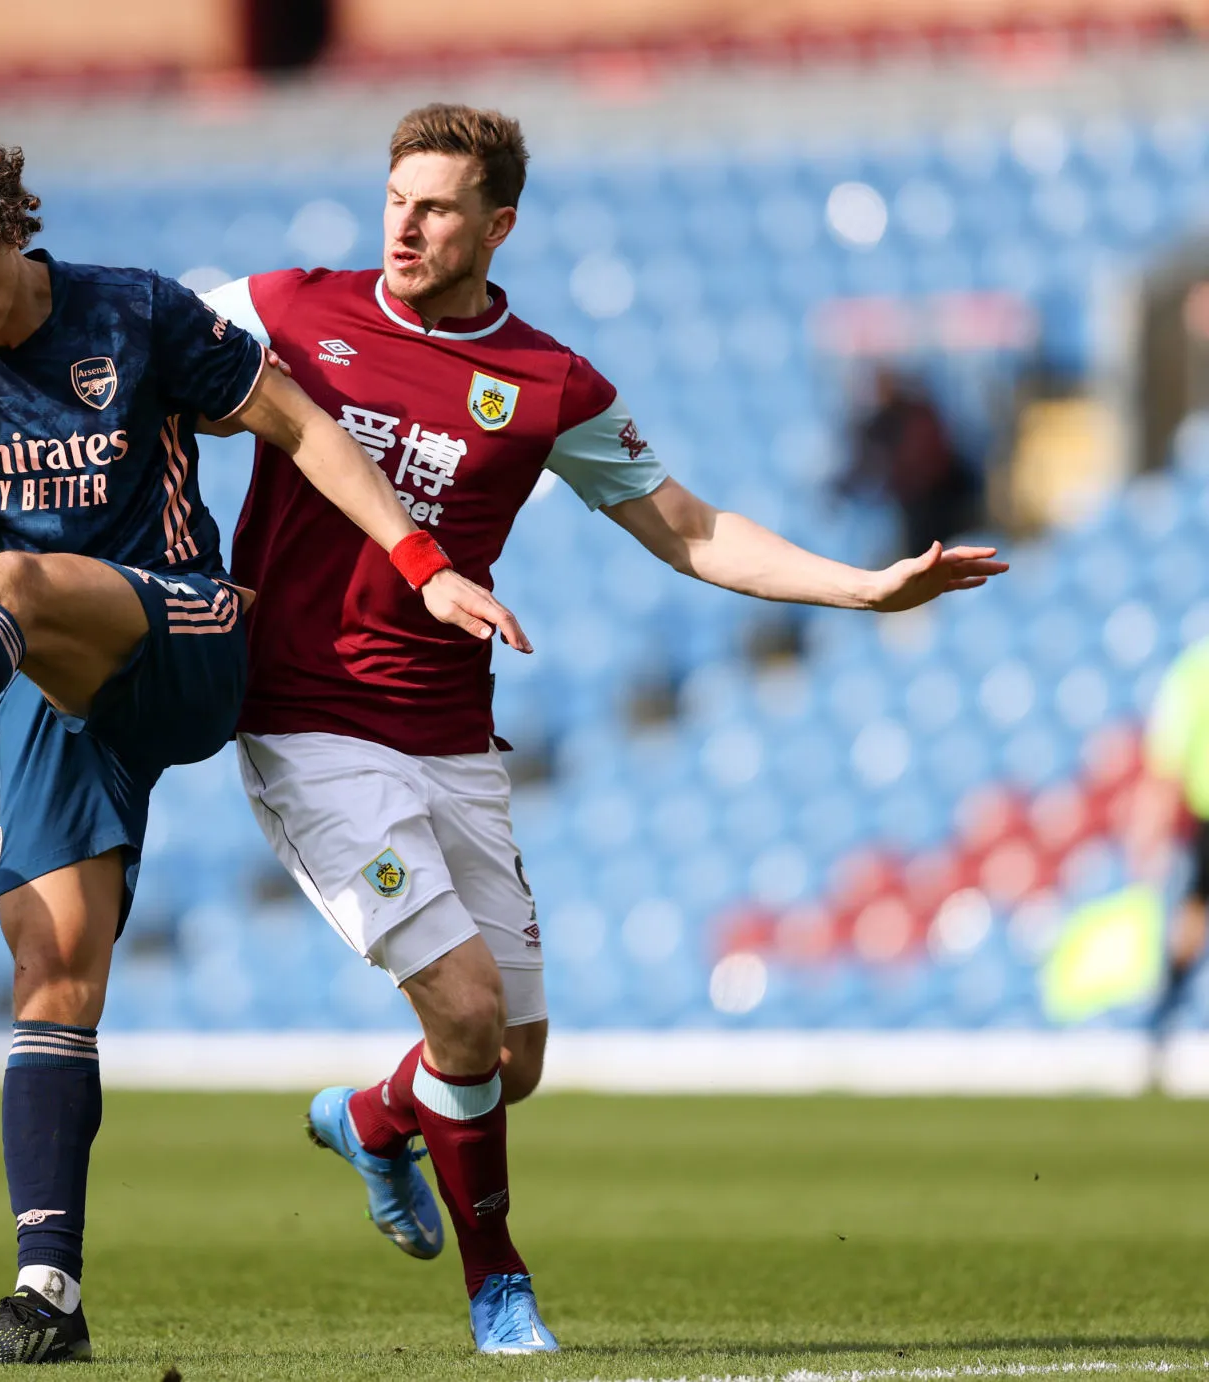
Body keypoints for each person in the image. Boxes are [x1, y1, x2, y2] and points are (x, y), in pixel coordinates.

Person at [199, 103, 1008, 1355]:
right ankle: (498, 1289)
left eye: (437, 208)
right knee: (462, 1012)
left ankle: (371, 1116)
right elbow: (119, 352)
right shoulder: (284, 309)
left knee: (508, 1056)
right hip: (308, 721)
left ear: (496, 224)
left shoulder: (545, 384)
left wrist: (860, 585)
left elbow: (684, 526)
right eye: (393, 201)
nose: (405, 227)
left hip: (451, 732)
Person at [0, 118, 524, 1369]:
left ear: (7, 226)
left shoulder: (132, 310)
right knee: (51, 972)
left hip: (187, 632)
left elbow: (301, 423)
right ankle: (48, 1292)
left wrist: (417, 560)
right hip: (44, 674)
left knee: (13, 576)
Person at [1131, 635, 1209, 1043]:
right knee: (1191, 917)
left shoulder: (1195, 669)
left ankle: (1164, 1021)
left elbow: (1166, 758)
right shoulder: (1196, 670)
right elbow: (1167, 758)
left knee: (1192, 916)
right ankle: (1164, 1021)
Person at [839, 364, 978, 558]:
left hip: (934, 499)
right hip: (907, 501)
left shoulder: (919, 415)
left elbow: (932, 463)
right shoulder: (874, 425)